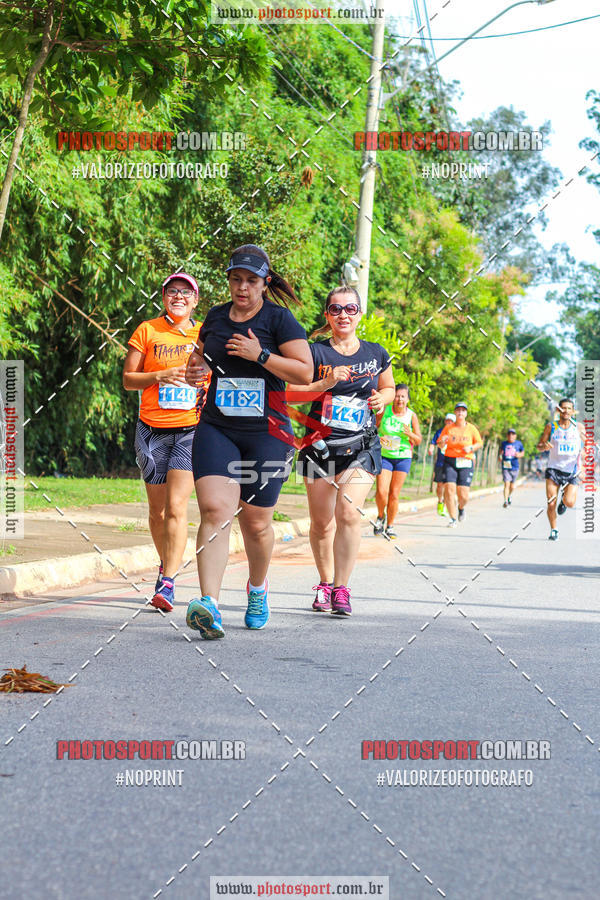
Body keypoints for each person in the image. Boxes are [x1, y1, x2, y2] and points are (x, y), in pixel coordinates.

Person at [183, 244, 313, 638]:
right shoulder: (215, 316)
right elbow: (203, 356)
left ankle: (257, 589)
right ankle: (209, 604)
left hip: (267, 434)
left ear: (265, 282)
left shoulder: (279, 319)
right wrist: (195, 368)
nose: (243, 287)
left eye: (251, 281)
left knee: (256, 524)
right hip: (218, 427)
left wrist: (261, 356)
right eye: (236, 279)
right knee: (214, 510)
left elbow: (304, 373)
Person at [289, 286, 394, 616]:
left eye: (350, 309)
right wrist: (325, 383)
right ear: (327, 315)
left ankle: (342, 588)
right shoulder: (314, 353)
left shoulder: (376, 354)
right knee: (321, 524)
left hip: (361, 446)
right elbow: (291, 393)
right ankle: (325, 582)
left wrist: (383, 399)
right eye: (336, 309)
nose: (343, 315)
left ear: (360, 314)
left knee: (348, 512)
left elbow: (389, 387)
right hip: (318, 447)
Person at [123, 273, 210, 613]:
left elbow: (218, 373)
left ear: (195, 300)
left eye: (186, 292)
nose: (179, 296)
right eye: (172, 291)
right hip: (151, 430)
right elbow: (129, 379)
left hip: (191, 429)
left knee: (176, 506)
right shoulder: (147, 330)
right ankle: (166, 564)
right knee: (157, 511)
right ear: (163, 297)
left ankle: (168, 581)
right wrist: (159, 375)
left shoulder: (205, 334)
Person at [373, 384, 422, 539]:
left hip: (403, 457)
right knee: (382, 491)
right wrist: (377, 437)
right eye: (397, 396)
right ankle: (381, 516)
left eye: (403, 396)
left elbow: (418, 440)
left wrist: (410, 434)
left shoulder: (412, 416)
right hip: (384, 456)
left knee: (394, 494)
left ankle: (390, 526)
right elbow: (371, 428)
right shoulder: (385, 411)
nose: (399, 399)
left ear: (407, 399)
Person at [537, 398, 584, 541]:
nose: (566, 411)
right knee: (551, 502)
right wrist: (544, 446)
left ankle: (564, 501)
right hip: (554, 469)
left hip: (572, 471)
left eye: (569, 408)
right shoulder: (551, 426)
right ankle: (554, 530)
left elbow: (587, 444)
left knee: (570, 502)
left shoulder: (578, 427)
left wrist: (584, 454)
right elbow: (540, 445)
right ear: (559, 410)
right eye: (563, 408)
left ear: (573, 411)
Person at [437, 402, 483, 527]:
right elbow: (440, 444)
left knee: (464, 495)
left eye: (463, 410)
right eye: (458, 410)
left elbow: (479, 443)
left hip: (466, 462)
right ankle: (452, 519)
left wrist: (471, 448)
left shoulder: (471, 429)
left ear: (466, 413)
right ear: (455, 413)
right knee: (449, 490)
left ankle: (461, 508)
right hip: (450, 461)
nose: (460, 413)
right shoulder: (448, 428)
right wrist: (442, 441)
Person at [428, 412, 455, 516]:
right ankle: (440, 501)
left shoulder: (456, 433)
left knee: (448, 485)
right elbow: (433, 442)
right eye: (447, 420)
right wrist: (431, 448)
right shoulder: (440, 432)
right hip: (440, 462)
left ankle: (446, 505)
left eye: (451, 421)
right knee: (439, 485)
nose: (449, 422)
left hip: (451, 463)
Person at [499, 428, 524, 507]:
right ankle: (505, 501)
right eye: (509, 434)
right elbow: (501, 452)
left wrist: (519, 455)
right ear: (507, 435)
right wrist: (500, 456)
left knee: (512, 486)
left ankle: (508, 496)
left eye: (513, 434)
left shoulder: (519, 443)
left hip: (515, 466)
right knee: (506, 484)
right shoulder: (504, 443)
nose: (511, 435)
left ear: (515, 436)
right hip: (506, 465)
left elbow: (522, 453)